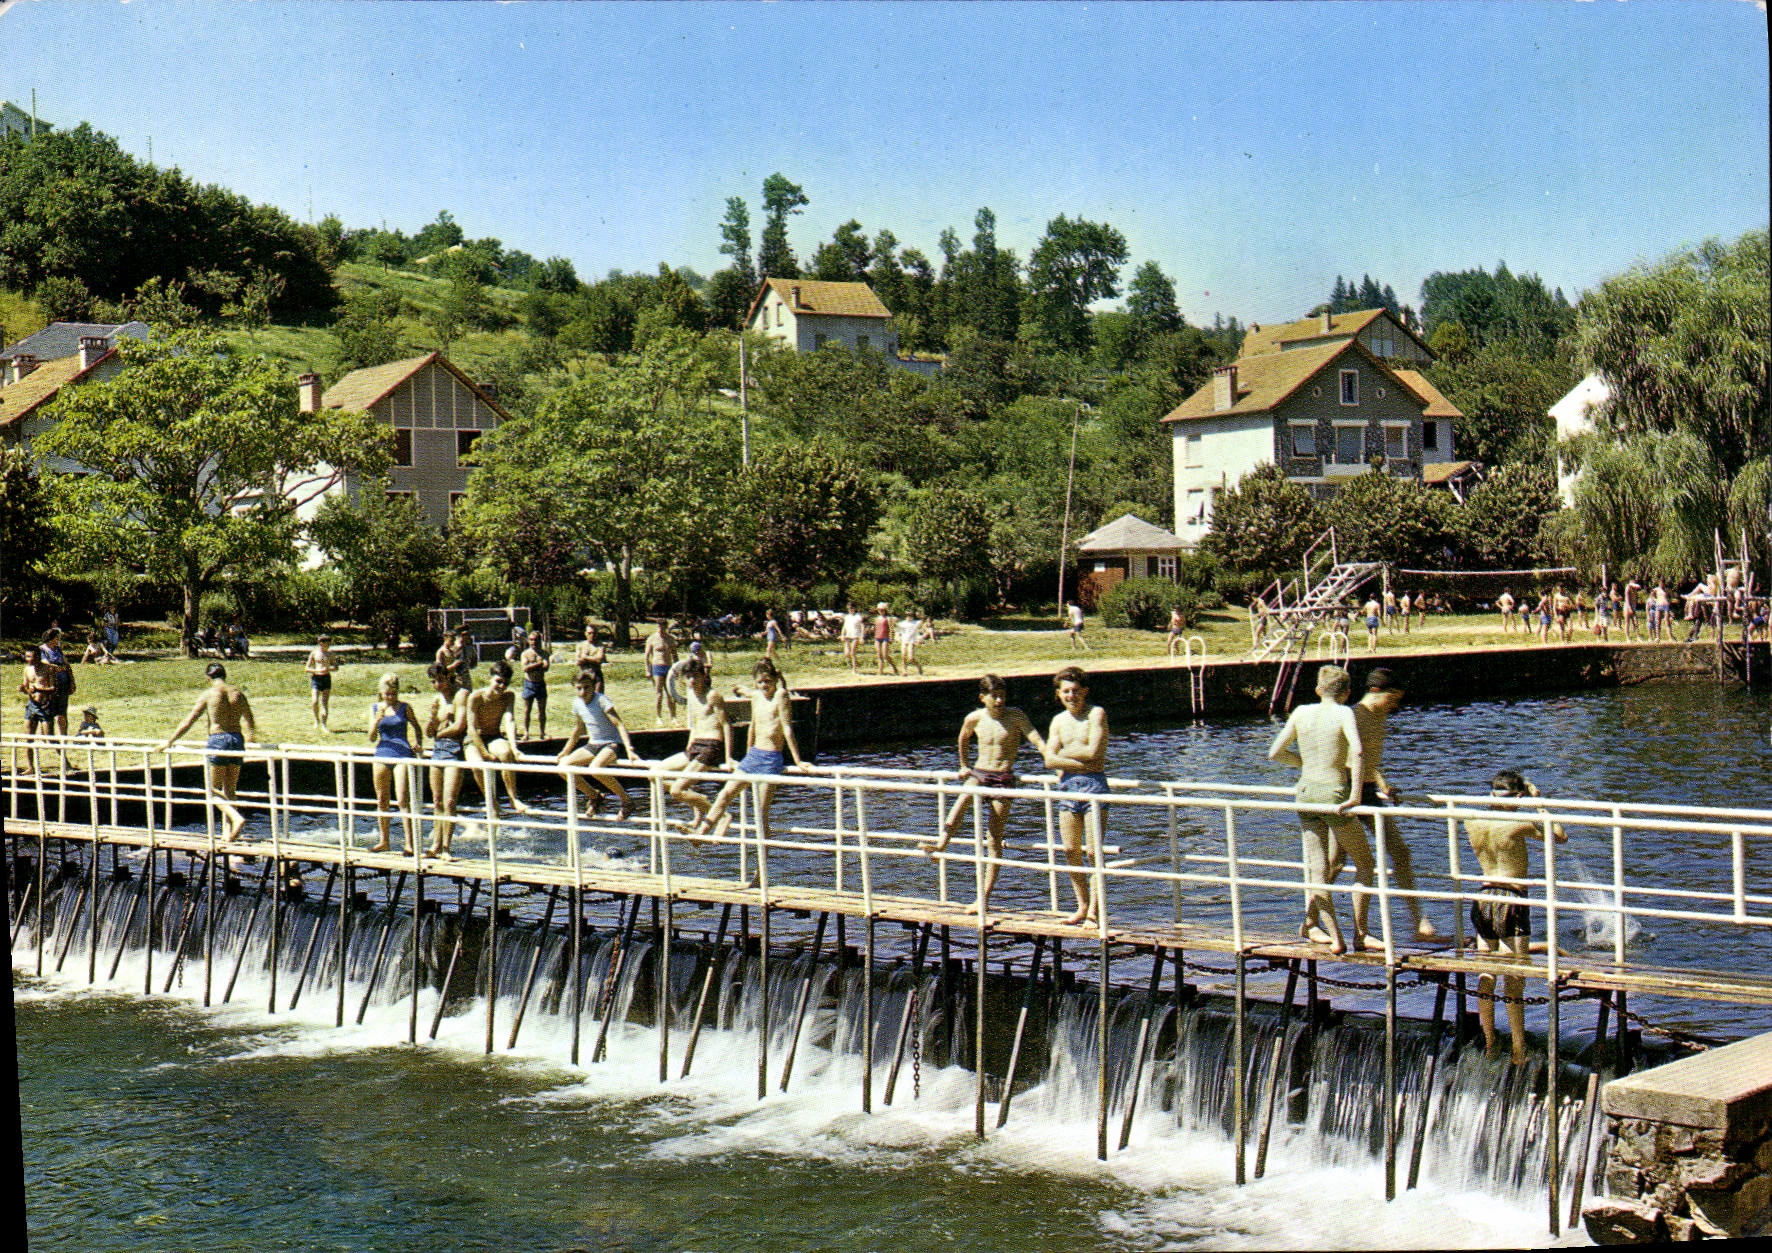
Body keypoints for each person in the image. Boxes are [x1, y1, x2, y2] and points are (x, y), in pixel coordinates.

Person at [1464, 770, 1566, 1065]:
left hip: (1483, 899)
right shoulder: (1518, 822)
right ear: (1519, 795)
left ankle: (1490, 1039)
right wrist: (1539, 802)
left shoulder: (1473, 820)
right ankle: (1519, 1047)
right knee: (1514, 978)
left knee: (1486, 974)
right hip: (1511, 900)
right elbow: (1559, 835)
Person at [920, 674, 1046, 912]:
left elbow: (1035, 738)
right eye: (994, 697)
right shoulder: (975, 718)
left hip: (1003, 778)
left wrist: (1050, 756)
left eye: (1002, 696)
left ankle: (984, 897)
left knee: (993, 838)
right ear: (982, 698)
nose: (999, 701)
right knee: (963, 798)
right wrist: (963, 764)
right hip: (980, 773)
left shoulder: (1015, 715)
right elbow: (963, 737)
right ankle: (941, 844)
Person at [1267, 665, 1368, 954]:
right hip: (1335, 796)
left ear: (1317, 690)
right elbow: (1358, 751)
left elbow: (1274, 753)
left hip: (1306, 793)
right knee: (1365, 864)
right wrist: (1356, 794)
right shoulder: (1345, 713)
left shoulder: (1300, 712)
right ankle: (1361, 933)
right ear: (1347, 694)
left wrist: (1304, 764)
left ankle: (1335, 938)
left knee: (1318, 870)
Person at [1340, 669, 1437, 941]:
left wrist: (1381, 782)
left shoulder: (1379, 716)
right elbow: (1346, 758)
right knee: (1335, 862)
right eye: (1393, 699)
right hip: (1347, 792)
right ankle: (1314, 920)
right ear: (1377, 692)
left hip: (1369, 790)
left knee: (1400, 852)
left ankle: (1419, 924)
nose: (1395, 706)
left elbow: (1366, 757)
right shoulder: (1354, 716)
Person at [693, 659, 806, 846]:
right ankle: (701, 834)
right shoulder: (756, 696)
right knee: (725, 793)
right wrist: (747, 753)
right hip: (753, 757)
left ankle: (760, 869)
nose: (764, 686)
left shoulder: (781, 695)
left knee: (760, 815)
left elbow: (787, 729)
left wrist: (799, 761)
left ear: (775, 680)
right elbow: (752, 728)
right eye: (760, 682)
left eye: (768, 681)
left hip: (770, 759)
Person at [1041, 666, 1109, 926]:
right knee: (1070, 849)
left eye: (1076, 691)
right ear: (1059, 694)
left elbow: (1095, 753)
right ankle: (1081, 905)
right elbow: (1048, 759)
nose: (1071, 696)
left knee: (1093, 853)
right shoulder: (1058, 721)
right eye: (1066, 692)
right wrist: (1080, 757)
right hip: (1068, 787)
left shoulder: (1096, 714)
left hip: (1094, 787)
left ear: (1085, 692)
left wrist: (1065, 754)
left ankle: (1094, 910)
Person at [160, 662, 258, 842]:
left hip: (218, 740)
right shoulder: (238, 693)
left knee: (212, 790)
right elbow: (250, 720)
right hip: (237, 739)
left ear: (208, 678)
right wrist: (251, 737)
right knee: (230, 790)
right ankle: (228, 833)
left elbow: (188, 721)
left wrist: (169, 741)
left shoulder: (209, 694)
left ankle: (236, 819)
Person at [654, 658, 732, 826]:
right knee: (654, 774)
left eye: (695, 676)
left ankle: (720, 815)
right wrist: (689, 747)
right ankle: (697, 801)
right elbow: (695, 723)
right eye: (688, 677)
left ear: (704, 676)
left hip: (711, 746)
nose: (692, 681)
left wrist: (729, 757)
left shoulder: (713, 695)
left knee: (676, 790)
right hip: (695, 745)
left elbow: (726, 725)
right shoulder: (690, 693)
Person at [558, 667, 639, 821]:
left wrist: (629, 749)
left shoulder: (601, 700)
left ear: (594, 686)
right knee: (563, 767)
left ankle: (627, 801)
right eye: (579, 688)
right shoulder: (577, 704)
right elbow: (579, 729)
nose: (583, 692)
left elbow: (619, 724)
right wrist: (565, 751)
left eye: (587, 687)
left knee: (595, 768)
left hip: (612, 743)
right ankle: (595, 796)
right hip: (593, 744)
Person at [464, 659, 535, 821]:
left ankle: (513, 798)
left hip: (494, 736)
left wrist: (514, 747)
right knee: (477, 765)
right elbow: (471, 729)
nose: (502, 687)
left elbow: (509, 720)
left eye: (506, 683)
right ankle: (492, 801)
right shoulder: (476, 697)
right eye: (499, 682)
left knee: (506, 752)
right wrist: (485, 753)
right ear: (490, 678)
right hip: (474, 740)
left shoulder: (508, 696)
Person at [366, 672, 423, 854]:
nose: (391, 697)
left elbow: (417, 727)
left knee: (401, 799)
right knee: (382, 799)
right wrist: (377, 721)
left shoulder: (405, 707)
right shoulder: (375, 708)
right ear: (381, 693)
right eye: (388, 694)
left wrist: (418, 743)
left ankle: (409, 844)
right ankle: (384, 841)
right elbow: (371, 737)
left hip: (402, 752)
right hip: (383, 751)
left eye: (394, 694)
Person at [423, 663, 470, 858]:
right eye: (434, 682)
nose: (438, 685)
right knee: (437, 801)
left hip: (455, 749)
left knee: (450, 800)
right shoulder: (437, 699)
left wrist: (439, 732)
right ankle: (435, 845)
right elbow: (429, 733)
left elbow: (460, 726)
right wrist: (433, 719)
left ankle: (446, 847)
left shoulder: (461, 695)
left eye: (441, 680)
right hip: (438, 750)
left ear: (448, 676)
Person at [17, 645, 57, 774]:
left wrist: (39, 689)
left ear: (39, 657)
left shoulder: (47, 668)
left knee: (49, 738)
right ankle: (31, 767)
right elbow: (27, 688)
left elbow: (53, 689)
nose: (30, 660)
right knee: (28, 738)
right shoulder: (27, 670)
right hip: (32, 705)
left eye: (32, 657)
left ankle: (65, 762)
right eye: (28, 657)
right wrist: (23, 689)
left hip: (45, 705)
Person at [38, 628, 72, 740]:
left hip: (63, 685)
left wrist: (72, 681)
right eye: (57, 637)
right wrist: (58, 668)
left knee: (62, 713)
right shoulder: (42, 650)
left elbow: (66, 665)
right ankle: (45, 736)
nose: (59, 640)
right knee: (48, 712)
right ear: (51, 638)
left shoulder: (58, 649)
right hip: (49, 686)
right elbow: (46, 665)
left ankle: (63, 737)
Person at [518, 630, 551, 740]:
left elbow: (546, 667)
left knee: (542, 710)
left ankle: (542, 732)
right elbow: (525, 668)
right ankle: (526, 732)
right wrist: (538, 663)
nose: (534, 642)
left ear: (540, 640)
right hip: (529, 684)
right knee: (527, 710)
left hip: (540, 684)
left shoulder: (544, 653)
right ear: (528, 640)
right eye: (531, 640)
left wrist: (533, 665)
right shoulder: (525, 653)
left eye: (536, 640)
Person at [645, 619, 678, 725]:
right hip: (657, 666)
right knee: (659, 694)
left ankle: (673, 717)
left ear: (666, 627)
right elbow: (646, 656)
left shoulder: (670, 639)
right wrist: (647, 670)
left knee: (671, 694)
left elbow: (675, 655)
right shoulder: (652, 639)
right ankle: (658, 717)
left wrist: (676, 668)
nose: (660, 628)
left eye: (663, 626)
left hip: (668, 667)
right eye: (659, 626)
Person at [306, 634, 340, 731]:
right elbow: (307, 668)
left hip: (326, 678)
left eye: (329, 643)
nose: (328, 645)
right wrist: (316, 671)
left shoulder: (330, 654)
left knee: (324, 703)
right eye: (326, 643)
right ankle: (317, 721)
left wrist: (328, 668)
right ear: (320, 643)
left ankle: (324, 725)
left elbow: (336, 667)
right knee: (314, 701)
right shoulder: (314, 653)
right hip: (316, 678)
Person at [897, 607, 929, 676]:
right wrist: (898, 638)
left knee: (910, 657)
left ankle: (918, 666)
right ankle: (904, 671)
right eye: (908, 615)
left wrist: (919, 615)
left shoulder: (916, 622)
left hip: (911, 641)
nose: (909, 616)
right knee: (903, 656)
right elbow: (898, 632)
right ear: (905, 616)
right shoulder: (902, 623)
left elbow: (924, 620)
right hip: (904, 641)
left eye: (911, 615)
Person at [872, 603, 899, 677]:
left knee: (885, 655)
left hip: (885, 638)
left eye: (882, 610)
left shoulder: (888, 618)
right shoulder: (876, 618)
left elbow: (891, 628)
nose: (881, 611)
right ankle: (880, 671)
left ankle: (894, 667)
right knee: (879, 655)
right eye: (879, 610)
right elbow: (875, 628)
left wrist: (891, 637)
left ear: (885, 610)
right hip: (877, 637)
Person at [841, 602, 865, 674]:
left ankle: (854, 670)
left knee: (852, 653)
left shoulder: (858, 616)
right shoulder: (847, 617)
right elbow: (844, 627)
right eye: (848, 608)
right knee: (847, 653)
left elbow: (862, 626)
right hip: (848, 636)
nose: (850, 610)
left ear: (854, 608)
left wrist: (862, 637)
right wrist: (842, 634)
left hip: (855, 636)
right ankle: (852, 664)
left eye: (851, 608)